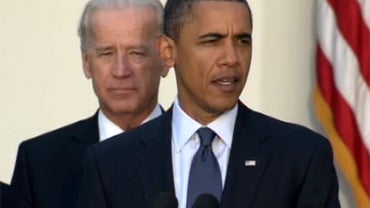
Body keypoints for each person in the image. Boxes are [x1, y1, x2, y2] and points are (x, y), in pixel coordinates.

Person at [76, 0, 341, 207]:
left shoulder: (301, 156)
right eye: (213, 41)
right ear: (168, 52)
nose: (231, 58)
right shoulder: (110, 164)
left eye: (242, 41)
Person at [8, 0, 168, 207]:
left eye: (136, 53)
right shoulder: (39, 162)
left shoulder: (198, 153)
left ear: (166, 59)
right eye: (106, 54)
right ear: (86, 63)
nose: (121, 71)